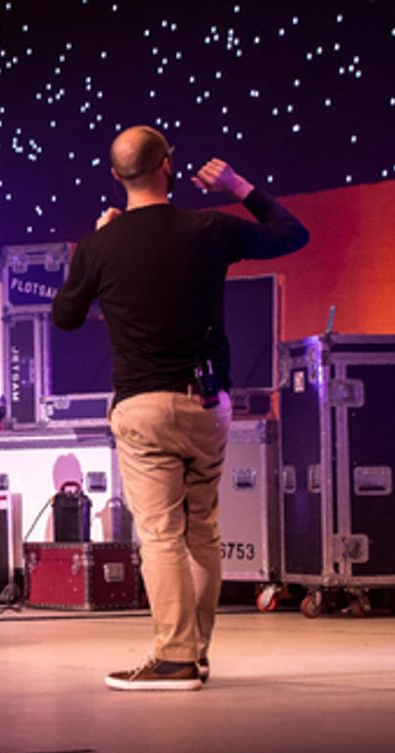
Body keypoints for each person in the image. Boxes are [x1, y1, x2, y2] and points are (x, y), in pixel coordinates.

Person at [52, 126, 309, 690]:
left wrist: (94, 249)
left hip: (143, 406)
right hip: (207, 402)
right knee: (202, 533)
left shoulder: (101, 245)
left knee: (162, 535)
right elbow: (292, 234)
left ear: (116, 177)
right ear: (167, 165)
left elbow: (65, 318)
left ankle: (173, 658)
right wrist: (241, 185)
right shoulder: (208, 228)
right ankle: (195, 651)